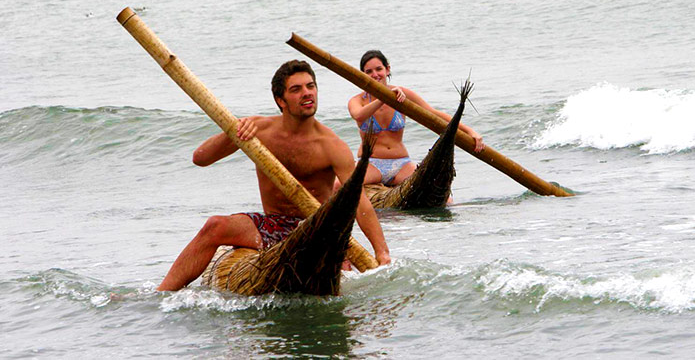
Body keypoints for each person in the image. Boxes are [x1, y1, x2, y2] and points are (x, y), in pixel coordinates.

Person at [157, 60, 390, 291]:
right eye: (296, 89)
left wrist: (382, 252)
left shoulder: (331, 146)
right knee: (215, 225)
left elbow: (359, 201)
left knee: (340, 274)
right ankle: (162, 293)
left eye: (311, 86)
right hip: (272, 225)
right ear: (281, 100)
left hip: (313, 231)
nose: (307, 93)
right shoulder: (260, 130)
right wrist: (233, 131)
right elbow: (200, 158)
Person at [347, 50, 485, 187]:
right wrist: (385, 97)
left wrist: (470, 131)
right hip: (371, 164)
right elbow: (358, 115)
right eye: (369, 72)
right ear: (362, 75)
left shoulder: (402, 94)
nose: (375, 75)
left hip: (401, 164)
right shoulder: (357, 100)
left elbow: (432, 114)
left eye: (379, 69)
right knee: (338, 186)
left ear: (387, 69)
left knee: (439, 192)